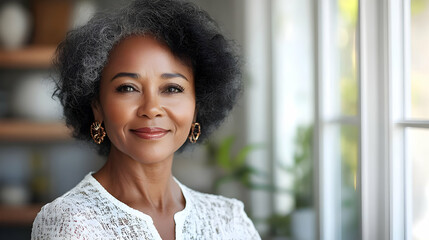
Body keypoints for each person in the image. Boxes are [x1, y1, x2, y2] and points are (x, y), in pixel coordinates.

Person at [31, 0, 260, 239]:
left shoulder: (229, 220)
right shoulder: (71, 224)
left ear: (196, 106)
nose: (151, 109)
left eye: (172, 88)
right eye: (128, 88)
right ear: (97, 106)